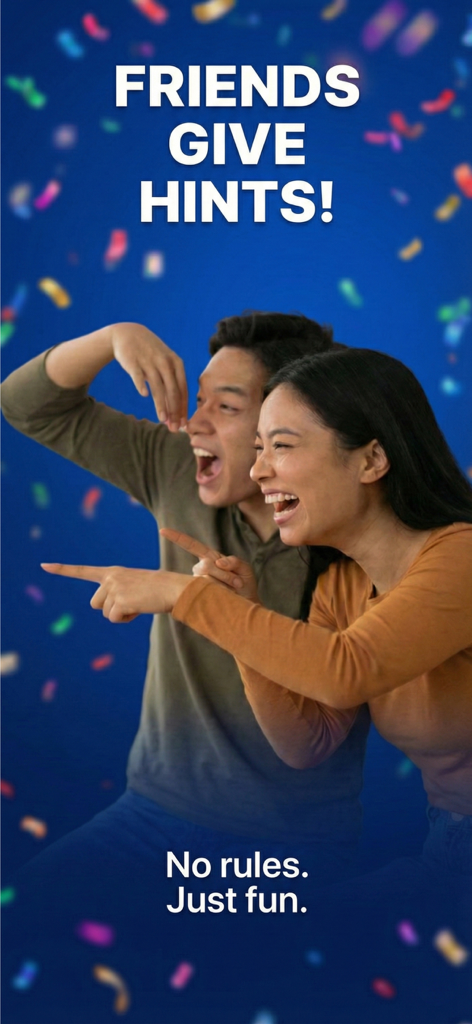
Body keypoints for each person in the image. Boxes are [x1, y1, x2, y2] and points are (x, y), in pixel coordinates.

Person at [46, 348, 472, 905]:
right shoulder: (339, 588)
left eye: (282, 447)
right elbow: (306, 743)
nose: (258, 470)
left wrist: (187, 596)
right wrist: (236, 614)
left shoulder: (460, 556)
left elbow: (348, 669)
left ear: (371, 460)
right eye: (259, 447)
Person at [1, 316, 371, 903]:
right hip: (147, 815)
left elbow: (324, 715)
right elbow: (28, 405)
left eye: (225, 408)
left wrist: (195, 601)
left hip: (293, 847)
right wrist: (109, 338)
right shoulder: (175, 468)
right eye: (199, 401)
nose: (193, 423)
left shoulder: (355, 541)